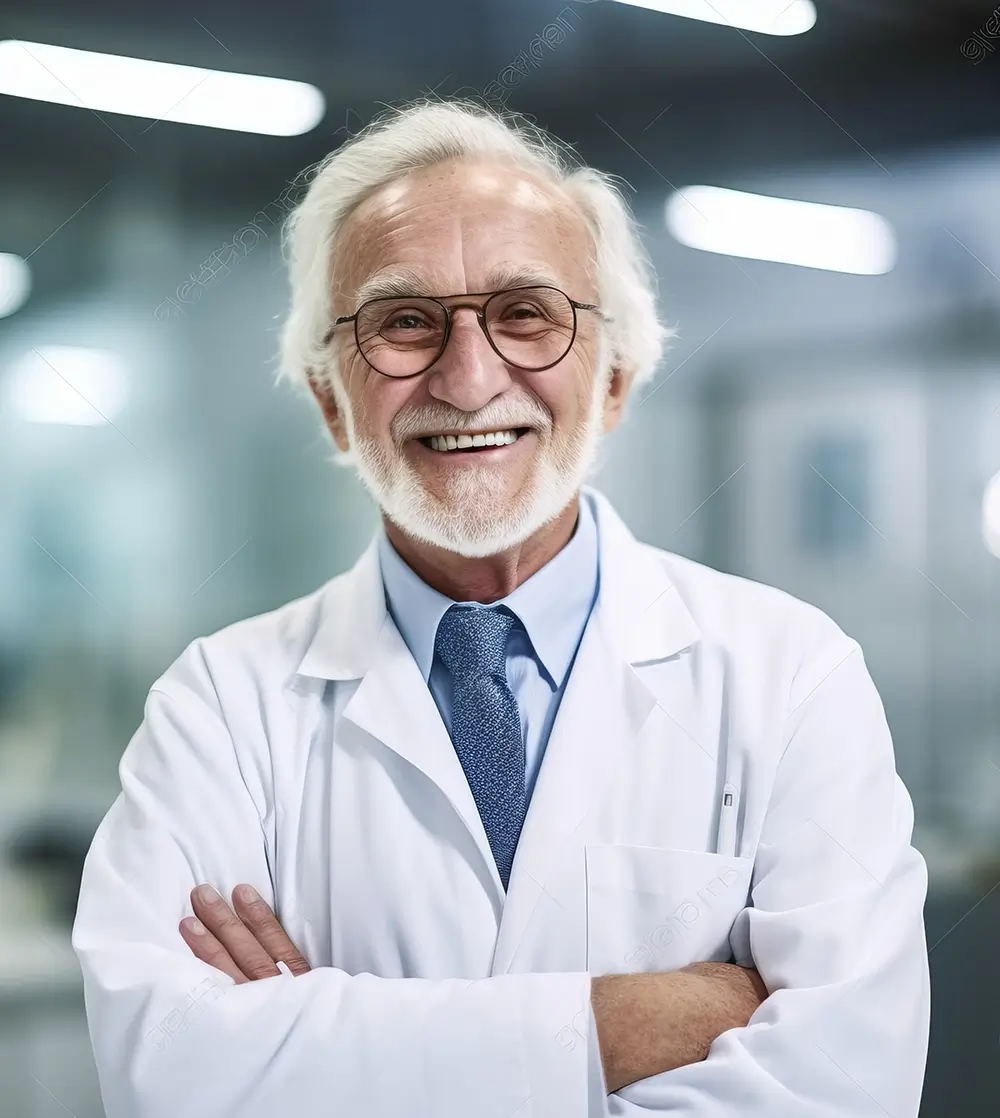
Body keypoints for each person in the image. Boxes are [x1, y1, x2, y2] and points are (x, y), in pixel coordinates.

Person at [72, 98, 930, 1118]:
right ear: (327, 399)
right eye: (402, 321)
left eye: (526, 312)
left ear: (614, 375)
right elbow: (169, 1072)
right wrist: (626, 1019)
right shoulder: (221, 703)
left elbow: (845, 1085)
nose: (469, 377)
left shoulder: (789, 674)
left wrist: (324, 1046)